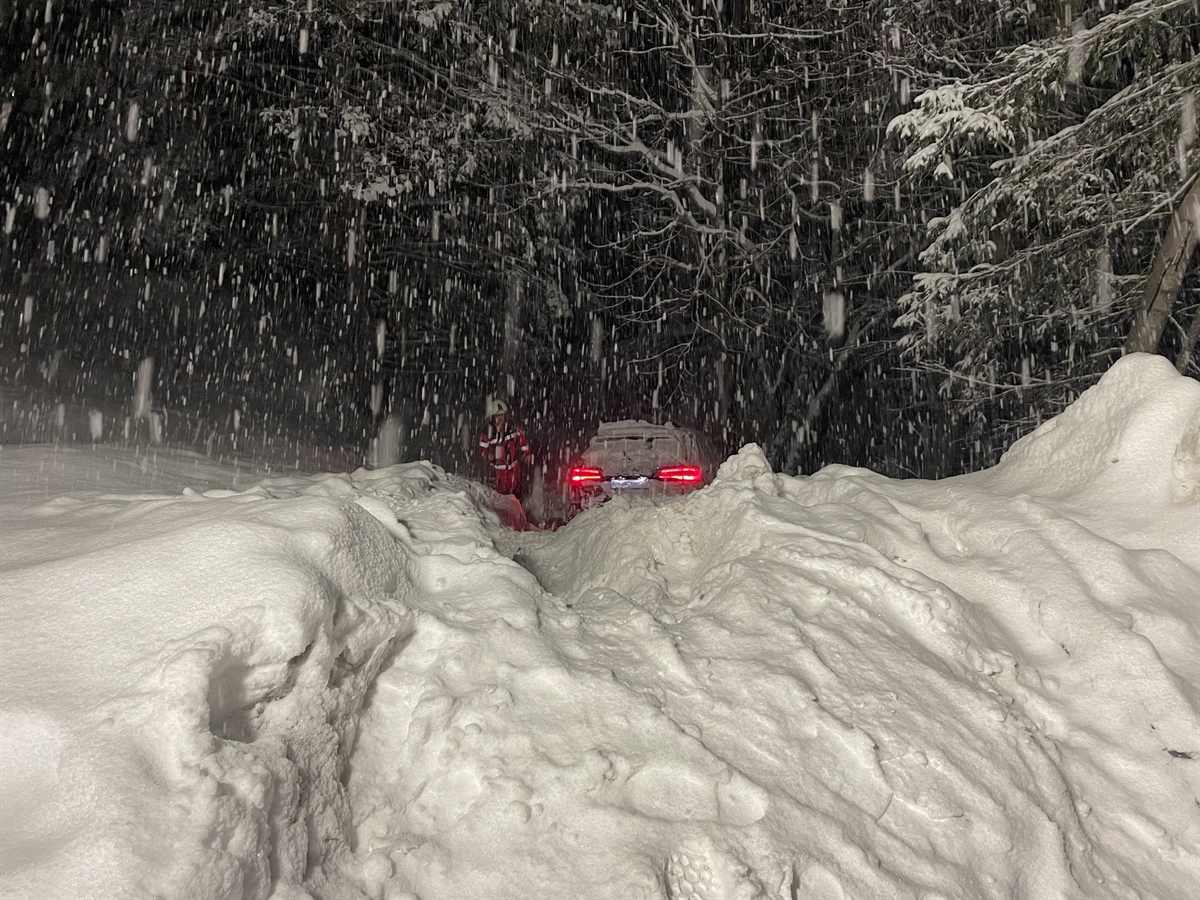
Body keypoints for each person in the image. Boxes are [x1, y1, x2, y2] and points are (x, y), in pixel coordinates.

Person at [477, 398, 532, 497]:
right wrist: (487, 455)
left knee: (517, 496)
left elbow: (523, 442)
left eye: (502, 415)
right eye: (497, 416)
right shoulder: (487, 433)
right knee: (500, 498)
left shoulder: (513, 428)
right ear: (492, 417)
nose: (500, 418)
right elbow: (481, 451)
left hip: (514, 470)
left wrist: (527, 454)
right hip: (497, 472)